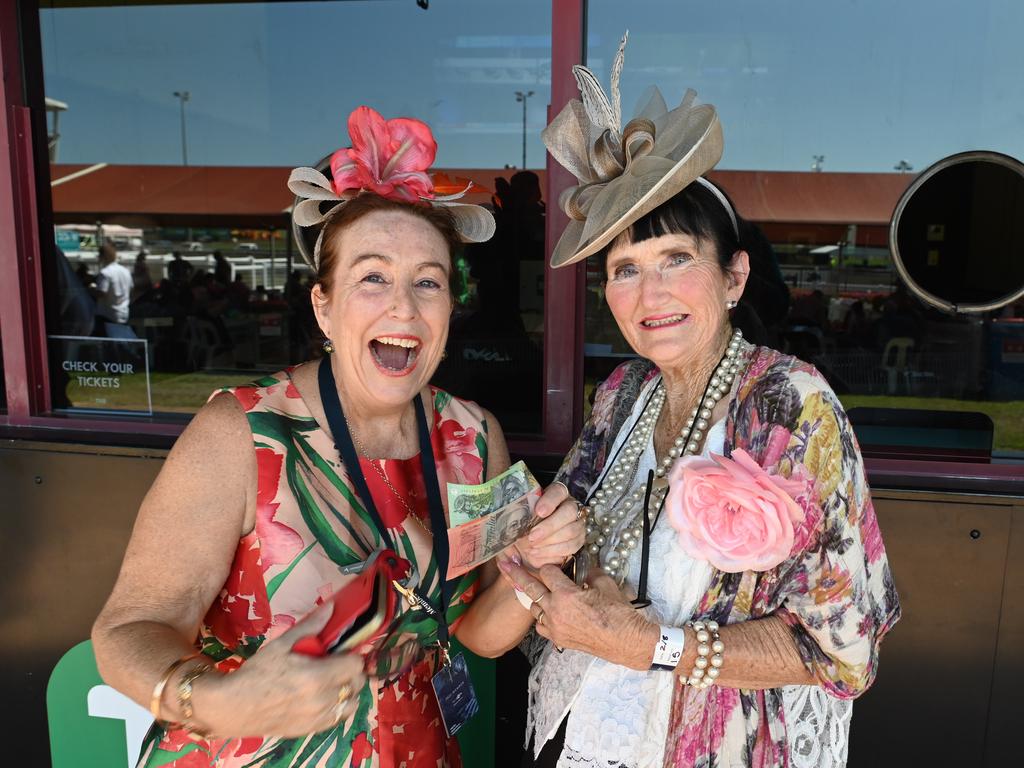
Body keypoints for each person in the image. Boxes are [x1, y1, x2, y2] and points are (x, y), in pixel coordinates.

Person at [91, 106, 586, 768]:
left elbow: (478, 633)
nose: (403, 307)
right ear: (324, 305)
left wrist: (537, 566)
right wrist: (216, 699)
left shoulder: (472, 437)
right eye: (372, 277)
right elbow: (127, 631)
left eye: (427, 283)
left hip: (419, 750)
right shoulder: (239, 434)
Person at [499, 39, 900, 768]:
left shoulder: (787, 403)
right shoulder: (623, 398)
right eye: (625, 269)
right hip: (607, 731)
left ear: (734, 276)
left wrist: (648, 644)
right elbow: (562, 539)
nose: (650, 295)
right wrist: (552, 559)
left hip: (732, 748)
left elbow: (843, 651)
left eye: (676, 259)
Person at [91, 242, 134, 329]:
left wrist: (90, 290)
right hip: (124, 314)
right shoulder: (125, 271)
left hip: (107, 316)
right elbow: (131, 289)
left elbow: (101, 293)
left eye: (99, 255)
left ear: (104, 256)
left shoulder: (105, 273)